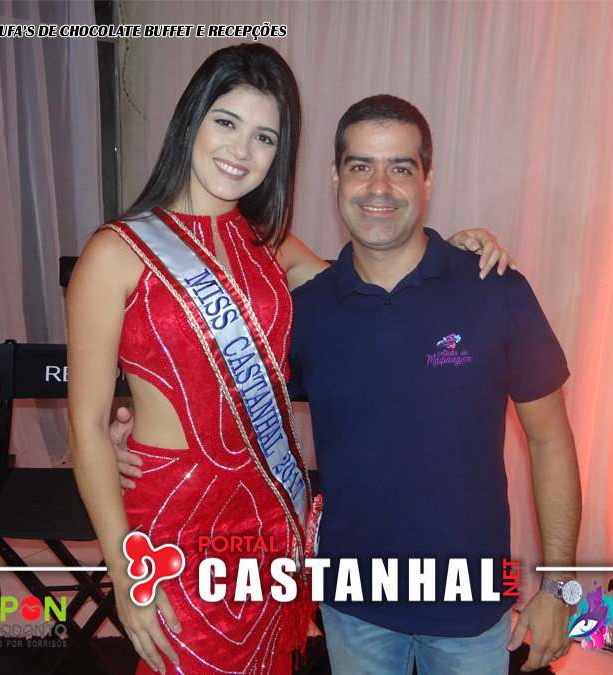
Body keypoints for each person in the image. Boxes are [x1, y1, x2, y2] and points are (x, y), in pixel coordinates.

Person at [68, 45, 511, 675]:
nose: (241, 151)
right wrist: (124, 569)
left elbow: (373, 284)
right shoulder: (115, 252)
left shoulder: (269, 246)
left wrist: (456, 252)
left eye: (265, 137)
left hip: (269, 513)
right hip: (177, 517)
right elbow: (86, 424)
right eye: (226, 122)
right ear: (191, 120)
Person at [288, 95, 582, 674]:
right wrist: (134, 438)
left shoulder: (495, 290)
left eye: (399, 167)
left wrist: (559, 588)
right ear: (335, 178)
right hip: (353, 608)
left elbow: (550, 440)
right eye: (360, 166)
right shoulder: (306, 312)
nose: (378, 187)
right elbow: (236, 420)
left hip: (473, 611)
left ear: (427, 180)